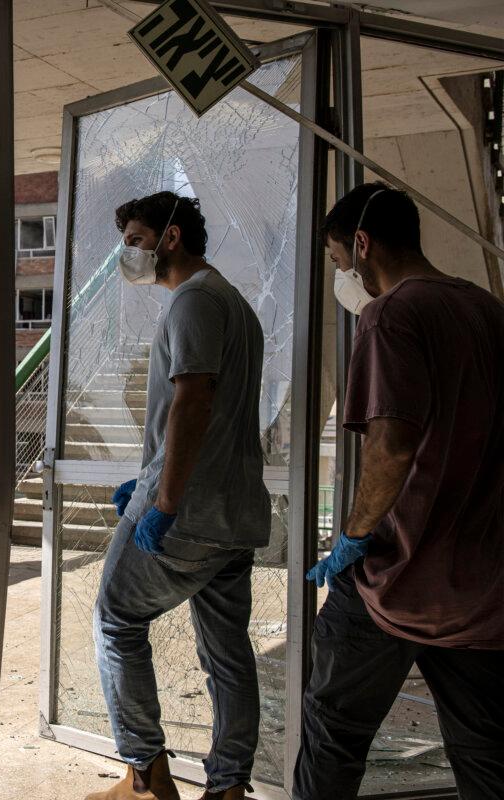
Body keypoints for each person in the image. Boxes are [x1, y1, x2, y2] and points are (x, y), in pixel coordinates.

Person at [293, 183, 504, 799]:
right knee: (488, 757)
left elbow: (390, 448)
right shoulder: (490, 312)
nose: (342, 277)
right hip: (482, 592)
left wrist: (351, 539)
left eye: (338, 262)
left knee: (332, 735)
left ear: (360, 245)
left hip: (398, 580)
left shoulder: (392, 315)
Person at [86, 192, 271, 800]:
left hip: (187, 512)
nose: (127, 254)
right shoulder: (235, 306)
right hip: (234, 513)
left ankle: (146, 777)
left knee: (115, 619)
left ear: (170, 239)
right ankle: (228, 789)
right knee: (226, 652)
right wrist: (148, 479)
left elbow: (194, 399)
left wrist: (163, 499)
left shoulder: (193, 300)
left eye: (135, 240)